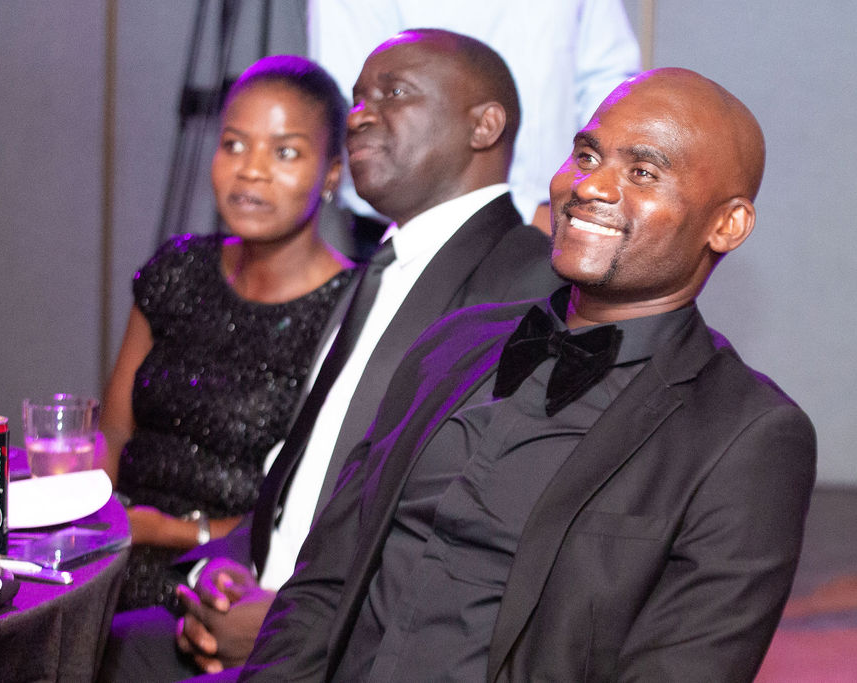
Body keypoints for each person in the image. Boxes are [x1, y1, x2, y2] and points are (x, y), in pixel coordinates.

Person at [238, 68, 818, 682]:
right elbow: (324, 583)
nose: (590, 185)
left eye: (643, 172)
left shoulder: (747, 435)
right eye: (586, 155)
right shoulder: (453, 342)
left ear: (727, 225)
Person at [99, 29, 561, 679]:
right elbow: (303, 478)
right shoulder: (379, 271)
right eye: (359, 97)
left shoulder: (528, 282)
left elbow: (478, 533)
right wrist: (224, 568)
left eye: (393, 93)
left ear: (484, 125)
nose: (361, 114)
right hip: (254, 600)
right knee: (49, 648)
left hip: (344, 646)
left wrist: (299, 623)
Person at [100, 55, 355, 611]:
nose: (251, 170)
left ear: (332, 173)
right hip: (112, 553)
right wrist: (88, 530)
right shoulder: (178, 268)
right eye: (234, 144)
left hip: (229, 583)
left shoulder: (352, 310)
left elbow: (318, 516)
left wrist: (167, 531)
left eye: (285, 152)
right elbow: (113, 435)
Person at [306, 0, 642, 233]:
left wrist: (592, 198)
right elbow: (365, 118)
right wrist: (524, 213)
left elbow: (608, 84)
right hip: (422, 230)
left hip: (573, 218)